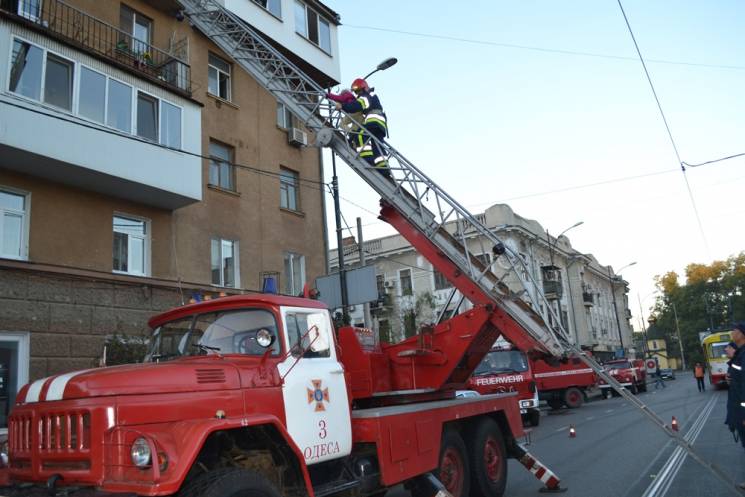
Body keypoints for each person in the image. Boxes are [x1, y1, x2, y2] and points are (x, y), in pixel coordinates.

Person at [335, 78, 390, 177]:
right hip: (380, 124)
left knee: (360, 134)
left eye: (358, 91)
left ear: (363, 88)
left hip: (374, 121)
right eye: (356, 92)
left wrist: (342, 106)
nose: (357, 94)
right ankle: (383, 167)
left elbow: (357, 105)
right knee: (377, 144)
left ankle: (367, 159)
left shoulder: (366, 96)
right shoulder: (372, 95)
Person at [727, 325, 745, 453]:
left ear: (742, 334)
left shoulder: (743, 355)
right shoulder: (739, 355)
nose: (732, 333)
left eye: (735, 330)